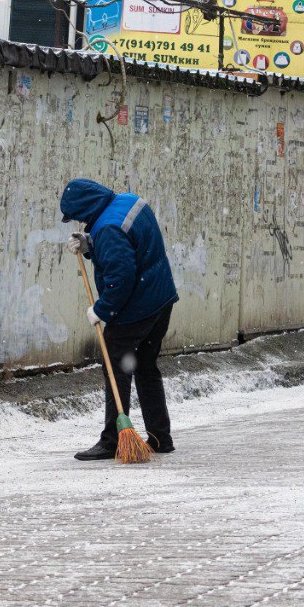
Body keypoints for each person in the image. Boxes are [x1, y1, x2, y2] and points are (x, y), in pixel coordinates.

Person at [59, 179, 179, 460]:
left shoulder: (108, 228)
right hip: (161, 299)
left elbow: (120, 279)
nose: (80, 221)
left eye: (78, 216)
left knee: (116, 365)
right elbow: (131, 245)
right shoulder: (127, 201)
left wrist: (101, 310)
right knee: (146, 366)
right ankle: (160, 437)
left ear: (85, 207)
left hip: (138, 306)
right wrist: (90, 244)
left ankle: (113, 440)